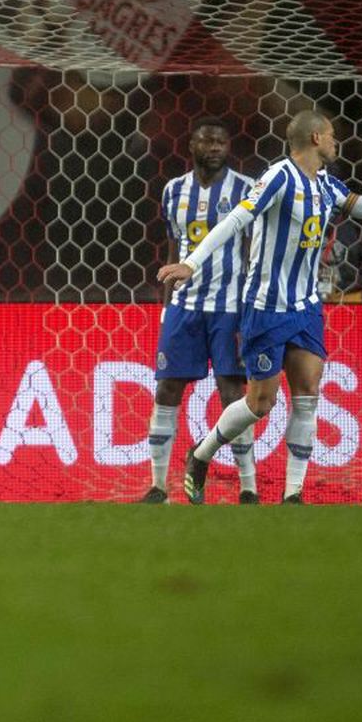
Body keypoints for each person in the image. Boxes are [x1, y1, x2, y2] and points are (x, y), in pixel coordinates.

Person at [159, 109, 362, 504]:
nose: (337, 143)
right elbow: (235, 219)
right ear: (316, 138)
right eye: (332, 136)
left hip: (305, 307)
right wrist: (191, 263)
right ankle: (201, 454)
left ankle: (293, 494)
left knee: (307, 395)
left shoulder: (328, 186)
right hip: (266, 307)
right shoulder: (278, 177)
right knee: (259, 404)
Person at [140, 118, 257, 505]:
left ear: (229, 146)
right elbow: (174, 249)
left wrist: (248, 306)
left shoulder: (244, 189)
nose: (214, 146)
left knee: (231, 392)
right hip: (184, 306)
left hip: (228, 306)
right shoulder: (174, 191)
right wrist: (166, 302)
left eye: (221, 140)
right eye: (206, 140)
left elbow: (249, 250)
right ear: (191, 145)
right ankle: (158, 486)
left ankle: (248, 487)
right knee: (167, 388)